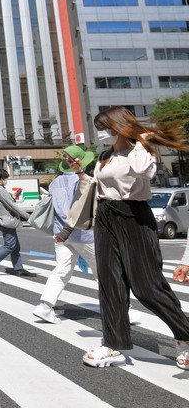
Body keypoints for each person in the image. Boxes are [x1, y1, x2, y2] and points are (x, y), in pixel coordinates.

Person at [59, 106, 189, 370]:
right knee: (110, 282)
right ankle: (113, 344)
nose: (100, 133)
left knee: (147, 286)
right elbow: (98, 186)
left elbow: (144, 172)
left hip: (134, 218)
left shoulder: (140, 152)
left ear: (119, 126)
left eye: (104, 127)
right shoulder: (106, 155)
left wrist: (140, 139)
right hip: (106, 217)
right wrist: (80, 173)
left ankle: (185, 335)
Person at [33, 146, 96, 324]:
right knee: (102, 271)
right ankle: (123, 308)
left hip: (61, 233)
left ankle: (45, 306)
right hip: (85, 234)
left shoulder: (55, 183)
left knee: (61, 270)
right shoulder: (87, 181)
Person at [0, 169, 36, 277]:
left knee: (15, 246)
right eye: (5, 178)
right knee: (10, 245)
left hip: (3, 220)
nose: (6, 180)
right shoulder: (1, 191)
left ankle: (19, 268)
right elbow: (13, 207)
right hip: (7, 221)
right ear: (1, 179)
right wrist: (28, 217)